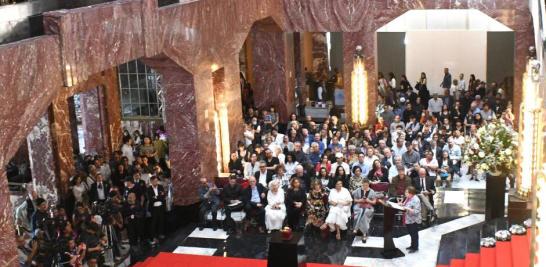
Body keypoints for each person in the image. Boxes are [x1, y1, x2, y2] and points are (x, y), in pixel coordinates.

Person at [400, 186, 421, 253]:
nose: (405, 193)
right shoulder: (408, 198)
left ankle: (415, 247)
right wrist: (401, 204)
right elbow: (405, 204)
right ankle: (412, 245)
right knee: (411, 233)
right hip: (408, 219)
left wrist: (407, 208)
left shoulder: (416, 200)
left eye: (406, 192)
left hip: (414, 220)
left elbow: (416, 211)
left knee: (414, 234)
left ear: (411, 193)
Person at [147, 176, 166, 245]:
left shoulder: (160, 187)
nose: (156, 182)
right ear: (151, 182)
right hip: (153, 208)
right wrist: (158, 197)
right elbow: (151, 199)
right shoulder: (149, 189)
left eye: (156, 181)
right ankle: (154, 236)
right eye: (154, 181)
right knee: (154, 222)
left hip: (161, 206)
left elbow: (163, 196)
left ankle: (160, 233)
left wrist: (156, 197)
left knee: (161, 220)